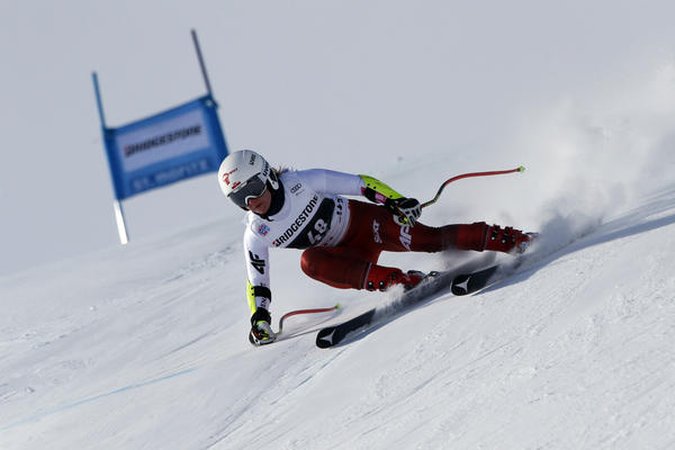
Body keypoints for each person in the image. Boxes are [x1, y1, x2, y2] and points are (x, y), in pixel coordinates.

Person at [218, 150, 533, 345]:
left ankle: (512, 240)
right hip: (349, 257)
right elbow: (257, 280)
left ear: (268, 178)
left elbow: (361, 183)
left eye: (254, 188)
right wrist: (260, 318)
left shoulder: (302, 182)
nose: (252, 202)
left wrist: (395, 200)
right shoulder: (256, 232)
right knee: (309, 261)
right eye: (240, 199)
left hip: (367, 225)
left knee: (430, 240)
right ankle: (400, 281)